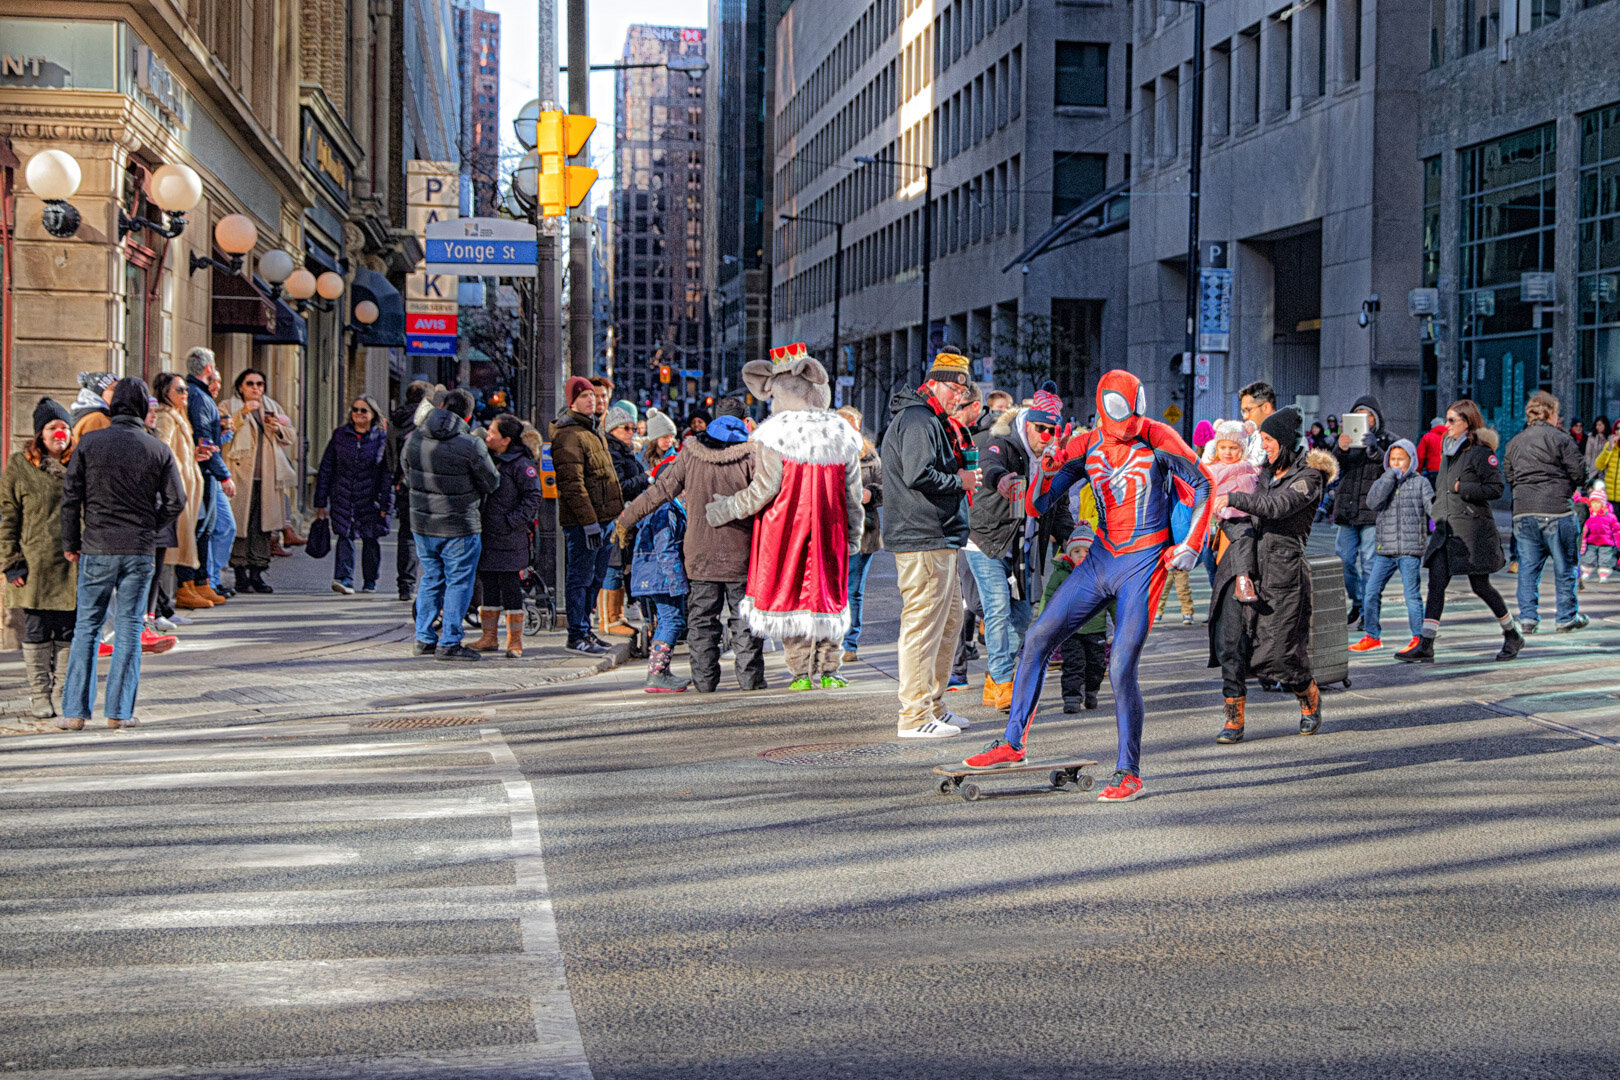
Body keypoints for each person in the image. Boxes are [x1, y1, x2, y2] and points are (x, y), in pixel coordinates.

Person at [964, 370, 1213, 803]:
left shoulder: (1157, 435)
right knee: (1038, 638)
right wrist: (1046, 467)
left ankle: (1129, 771)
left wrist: (1190, 544)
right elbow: (1038, 505)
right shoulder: (1086, 445)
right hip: (1102, 556)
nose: (1131, 419)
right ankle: (1012, 742)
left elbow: (1204, 482)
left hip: (1145, 559)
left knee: (1121, 666)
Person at [706, 344, 863, 691]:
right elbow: (853, 495)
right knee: (828, 595)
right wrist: (855, 533)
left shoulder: (773, 435)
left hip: (785, 530)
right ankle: (829, 668)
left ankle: (799, 672)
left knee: (790, 594)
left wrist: (724, 509)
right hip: (828, 530)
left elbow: (762, 490)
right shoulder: (843, 434)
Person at [58, 378, 185, 730]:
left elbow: (71, 499)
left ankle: (73, 713)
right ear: (144, 408)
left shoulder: (89, 443)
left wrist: (70, 543)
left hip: (97, 544)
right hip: (139, 547)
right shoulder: (156, 448)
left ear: (113, 407)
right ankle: (119, 712)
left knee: (87, 627)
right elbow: (177, 501)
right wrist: (151, 526)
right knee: (129, 627)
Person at [1208, 406, 1335, 743]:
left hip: (1283, 573)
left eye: (1269, 440)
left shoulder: (1310, 477)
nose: (1264, 446)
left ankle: (1307, 694)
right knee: (1230, 643)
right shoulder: (1260, 472)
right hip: (1243, 564)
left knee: (1280, 655)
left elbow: (1277, 507)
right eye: (1261, 440)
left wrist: (1234, 497)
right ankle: (1233, 720)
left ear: (1286, 440)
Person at [620, 396, 765, 692]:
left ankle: (705, 682)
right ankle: (750, 682)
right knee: (745, 621)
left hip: (699, 555)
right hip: (742, 554)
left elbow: (661, 490)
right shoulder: (753, 456)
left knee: (701, 622)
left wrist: (626, 518)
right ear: (745, 421)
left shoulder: (691, 454)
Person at [880, 351, 981, 738]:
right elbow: (919, 473)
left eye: (964, 389)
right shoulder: (919, 419)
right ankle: (915, 714)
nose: (961, 396)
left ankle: (933, 705)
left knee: (948, 622)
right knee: (924, 625)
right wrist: (962, 482)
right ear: (938, 382)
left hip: (938, 535)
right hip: (923, 535)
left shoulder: (927, 418)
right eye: (957, 388)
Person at [963, 384, 1066, 710]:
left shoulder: (1051, 457)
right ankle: (1005, 682)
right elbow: (990, 465)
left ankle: (995, 681)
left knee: (1022, 618)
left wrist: (1074, 535)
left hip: (1022, 547)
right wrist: (1002, 481)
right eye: (1041, 428)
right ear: (1027, 423)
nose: (1046, 435)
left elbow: (1058, 505)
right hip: (986, 541)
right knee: (997, 609)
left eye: (1053, 430)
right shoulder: (1002, 440)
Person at [1396, 400, 1521, 664]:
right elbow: (1442, 488)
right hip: (1446, 530)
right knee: (1437, 584)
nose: (1447, 425)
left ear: (1468, 422)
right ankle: (1426, 644)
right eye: (1447, 420)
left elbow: (1496, 488)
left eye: (1453, 420)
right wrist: (1435, 512)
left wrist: (1462, 487)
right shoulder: (1447, 449)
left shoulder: (1480, 452)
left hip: (1472, 532)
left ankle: (1512, 634)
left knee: (1480, 586)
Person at [404, 387, 501, 660]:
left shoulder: (414, 439)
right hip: (460, 524)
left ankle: (423, 637)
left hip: (422, 522)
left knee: (431, 577)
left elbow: (406, 471)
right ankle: (450, 641)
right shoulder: (471, 444)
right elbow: (491, 481)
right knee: (459, 581)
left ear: (442, 405)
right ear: (468, 417)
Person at [2, 399, 79, 718]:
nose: (59, 432)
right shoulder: (20, 465)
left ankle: (61, 691)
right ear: (40, 434)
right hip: (32, 563)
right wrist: (10, 561)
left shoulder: (80, 463)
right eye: (52, 427)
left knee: (67, 630)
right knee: (35, 629)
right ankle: (39, 694)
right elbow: (6, 515)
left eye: (64, 427)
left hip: (71, 563)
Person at [1503, 390, 1588, 634]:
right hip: (1556, 508)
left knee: (1528, 569)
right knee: (1565, 567)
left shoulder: (1515, 441)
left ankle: (1528, 618)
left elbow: (1509, 476)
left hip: (1524, 510)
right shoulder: (1560, 438)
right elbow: (1579, 473)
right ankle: (1566, 617)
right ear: (1551, 413)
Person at [551, 375, 624, 654]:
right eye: (584, 396)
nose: (592, 400)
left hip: (604, 521)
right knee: (580, 578)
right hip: (584, 523)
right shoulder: (569, 434)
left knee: (596, 577)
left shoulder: (593, 430)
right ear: (572, 401)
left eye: (593, 395)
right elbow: (573, 485)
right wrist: (589, 522)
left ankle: (586, 629)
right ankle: (577, 634)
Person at [470, 414, 544, 658]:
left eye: (493, 432)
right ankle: (489, 637)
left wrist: (510, 521)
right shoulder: (488, 458)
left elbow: (533, 497)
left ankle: (515, 641)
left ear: (507, 440)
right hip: (487, 534)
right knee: (488, 584)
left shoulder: (521, 464)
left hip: (510, 536)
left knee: (511, 586)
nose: (488, 435)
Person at [1353, 440, 1433, 653]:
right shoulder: (1384, 480)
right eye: (1393, 459)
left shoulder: (1420, 482)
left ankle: (1418, 638)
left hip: (1409, 549)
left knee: (1412, 595)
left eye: (1401, 459)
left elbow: (1432, 507)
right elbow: (1372, 503)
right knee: (1370, 592)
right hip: (1385, 549)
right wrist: (1388, 477)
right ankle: (1372, 636)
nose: (1396, 463)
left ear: (1411, 460)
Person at [222, 368, 294, 594]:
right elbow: (223, 431)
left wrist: (278, 429)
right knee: (240, 525)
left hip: (267, 476)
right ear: (240, 387)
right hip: (240, 475)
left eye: (260, 384)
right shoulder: (228, 406)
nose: (256, 388)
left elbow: (291, 435)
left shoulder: (272, 407)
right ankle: (240, 574)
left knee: (262, 527)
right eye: (250, 384)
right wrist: (241, 414)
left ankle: (258, 572)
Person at [631, 426, 691, 691]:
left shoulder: (663, 507)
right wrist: (676, 581)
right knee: (672, 620)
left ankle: (660, 670)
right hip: (662, 577)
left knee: (669, 620)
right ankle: (657, 673)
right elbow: (664, 548)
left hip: (655, 575)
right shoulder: (666, 510)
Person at [314, 395, 393, 595]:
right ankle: (344, 579)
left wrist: (386, 504)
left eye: (363, 410)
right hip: (343, 494)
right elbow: (326, 468)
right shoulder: (340, 435)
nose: (358, 413)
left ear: (373, 414)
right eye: (355, 409)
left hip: (370, 497)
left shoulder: (382, 438)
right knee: (344, 534)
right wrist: (320, 501)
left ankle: (370, 581)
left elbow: (386, 473)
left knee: (370, 538)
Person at [1331, 396, 1394, 626]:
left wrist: (1374, 449)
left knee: (1369, 562)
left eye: (1367, 414)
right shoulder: (1344, 439)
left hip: (1372, 511)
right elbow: (1332, 468)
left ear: (1376, 418)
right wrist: (1341, 448)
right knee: (1344, 560)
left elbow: (1392, 468)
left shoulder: (1387, 440)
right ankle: (1356, 601)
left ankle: (1368, 611)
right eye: (1358, 414)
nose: (1363, 419)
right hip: (1347, 509)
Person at [151, 373, 210, 613]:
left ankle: (168, 601)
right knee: (166, 551)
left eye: (185, 389)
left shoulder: (178, 416)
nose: (185, 394)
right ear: (166, 392)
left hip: (186, 485)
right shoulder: (166, 417)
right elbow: (163, 450)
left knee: (190, 536)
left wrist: (193, 457)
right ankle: (165, 603)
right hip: (176, 489)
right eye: (180, 390)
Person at [183, 350, 235, 603]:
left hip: (205, 469)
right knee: (202, 528)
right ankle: (195, 581)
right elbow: (205, 438)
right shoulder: (199, 397)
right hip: (203, 471)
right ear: (208, 369)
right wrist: (224, 475)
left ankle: (202, 581)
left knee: (209, 527)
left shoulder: (198, 395)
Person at [599, 401, 649, 637]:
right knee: (613, 566)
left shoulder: (624, 451)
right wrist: (646, 479)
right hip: (615, 517)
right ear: (613, 430)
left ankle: (616, 615)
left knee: (620, 566)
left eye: (633, 428)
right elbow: (618, 486)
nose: (631, 432)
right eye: (625, 428)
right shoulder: (612, 452)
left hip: (627, 517)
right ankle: (609, 619)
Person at [838, 406, 882, 663]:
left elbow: (885, 487)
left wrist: (871, 493)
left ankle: (849, 642)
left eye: (855, 426)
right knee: (833, 588)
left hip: (864, 531)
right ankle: (830, 638)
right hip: (833, 530)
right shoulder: (826, 454)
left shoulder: (869, 455)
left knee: (853, 589)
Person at [1204, 420, 1261, 605]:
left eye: (1233, 447)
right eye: (1223, 447)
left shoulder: (1250, 468)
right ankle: (1242, 579)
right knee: (1244, 537)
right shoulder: (1214, 471)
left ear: (1242, 449)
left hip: (1251, 516)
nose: (1228, 452)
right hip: (1229, 519)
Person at [386, 380, 433, 601]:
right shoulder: (430, 418)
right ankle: (432, 584)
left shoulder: (395, 420)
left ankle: (405, 585)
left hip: (405, 484)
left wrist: (395, 478)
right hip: (431, 484)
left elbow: (389, 454)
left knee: (406, 535)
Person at [1581, 482, 1616, 582]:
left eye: (1598, 503)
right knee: (1588, 558)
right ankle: (1586, 572)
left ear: (1603, 504)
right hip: (1591, 541)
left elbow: (1616, 528)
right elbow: (1584, 526)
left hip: (1606, 542)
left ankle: (1603, 575)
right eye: (1593, 503)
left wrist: (1617, 541)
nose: (1595, 505)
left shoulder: (1609, 516)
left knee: (1605, 559)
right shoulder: (1588, 515)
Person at [68, 371, 117, 442]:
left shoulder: (88, 414)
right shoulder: (97, 419)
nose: (119, 392)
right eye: (114, 389)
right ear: (98, 393)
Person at [1238, 381, 1278, 468]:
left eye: (1248, 410)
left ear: (1266, 408)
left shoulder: (1289, 437)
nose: (1245, 417)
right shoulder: (1250, 438)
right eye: (1243, 412)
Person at [1590, 423, 1620, 515]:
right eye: (1617, 428)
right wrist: (1610, 447)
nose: (1619, 431)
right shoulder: (1610, 446)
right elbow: (1599, 465)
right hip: (1609, 497)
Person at [1416, 416, 1447, 485]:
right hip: (1447, 471)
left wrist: (1418, 471)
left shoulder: (1427, 437)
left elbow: (1420, 456)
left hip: (1432, 471)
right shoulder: (1450, 437)